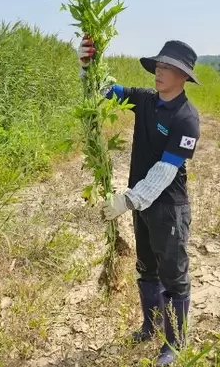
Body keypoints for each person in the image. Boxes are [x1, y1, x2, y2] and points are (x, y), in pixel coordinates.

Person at [77, 35, 201, 366]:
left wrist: (127, 200)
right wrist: (87, 66)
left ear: (184, 76)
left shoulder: (187, 118)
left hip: (168, 209)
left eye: (167, 68)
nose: (158, 72)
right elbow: (104, 92)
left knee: (173, 275)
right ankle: (151, 326)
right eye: (158, 65)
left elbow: (165, 171)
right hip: (140, 206)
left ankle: (175, 343)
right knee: (146, 267)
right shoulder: (145, 100)